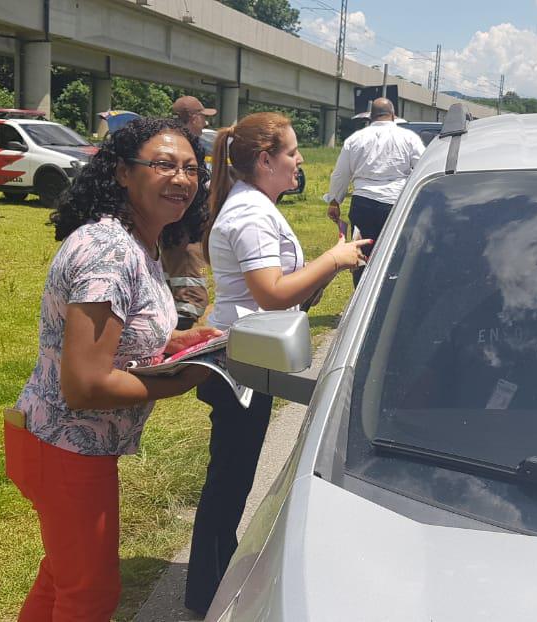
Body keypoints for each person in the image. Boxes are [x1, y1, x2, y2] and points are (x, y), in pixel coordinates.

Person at [6, 117, 221, 621]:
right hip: (64, 446)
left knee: (63, 576)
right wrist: (183, 380)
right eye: (163, 164)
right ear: (123, 173)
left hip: (65, 443)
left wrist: (173, 344)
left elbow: (117, 337)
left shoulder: (139, 242)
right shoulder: (108, 253)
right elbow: (85, 386)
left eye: (191, 168)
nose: (181, 178)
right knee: (90, 594)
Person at [184, 112, 371, 616]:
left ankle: (211, 580)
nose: (300, 160)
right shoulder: (250, 213)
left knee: (233, 476)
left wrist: (326, 264)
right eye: (291, 152)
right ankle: (206, 591)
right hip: (241, 362)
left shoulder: (255, 205)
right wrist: (332, 261)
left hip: (249, 354)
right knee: (229, 479)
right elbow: (270, 293)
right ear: (265, 160)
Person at [325, 97, 425, 286]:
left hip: (363, 203)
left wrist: (334, 201)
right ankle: (390, 294)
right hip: (395, 203)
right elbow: (422, 166)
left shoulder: (355, 139)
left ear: (370, 116)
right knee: (394, 253)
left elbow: (341, 174)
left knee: (361, 254)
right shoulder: (409, 138)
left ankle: (361, 295)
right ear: (393, 115)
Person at [162, 95, 218, 329]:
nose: (205, 123)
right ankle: (182, 331)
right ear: (193, 118)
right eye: (203, 118)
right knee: (190, 290)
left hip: (175, 225)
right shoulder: (187, 147)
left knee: (172, 280)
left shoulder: (170, 142)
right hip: (186, 226)